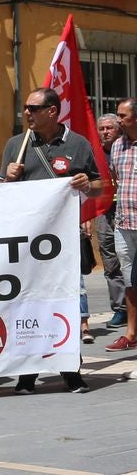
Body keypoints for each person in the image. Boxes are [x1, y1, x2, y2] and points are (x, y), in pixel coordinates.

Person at [0, 87, 99, 394]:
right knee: (26, 303)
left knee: (64, 302)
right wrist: (8, 178)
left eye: (33, 108)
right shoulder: (16, 144)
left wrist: (87, 183)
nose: (26, 113)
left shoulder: (77, 144)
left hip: (62, 242)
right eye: (25, 108)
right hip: (26, 242)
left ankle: (71, 370)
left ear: (52, 111)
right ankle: (27, 375)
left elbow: (97, 186)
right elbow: (0, 192)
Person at [107, 98, 137, 353]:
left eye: (122, 115)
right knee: (129, 278)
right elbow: (115, 180)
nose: (118, 120)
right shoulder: (117, 146)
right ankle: (131, 333)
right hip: (124, 223)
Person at [96, 113, 126, 328]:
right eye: (102, 128)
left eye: (109, 128)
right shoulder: (94, 154)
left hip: (128, 212)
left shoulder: (128, 150)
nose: (105, 132)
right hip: (104, 214)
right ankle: (120, 309)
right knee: (111, 263)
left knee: (130, 262)